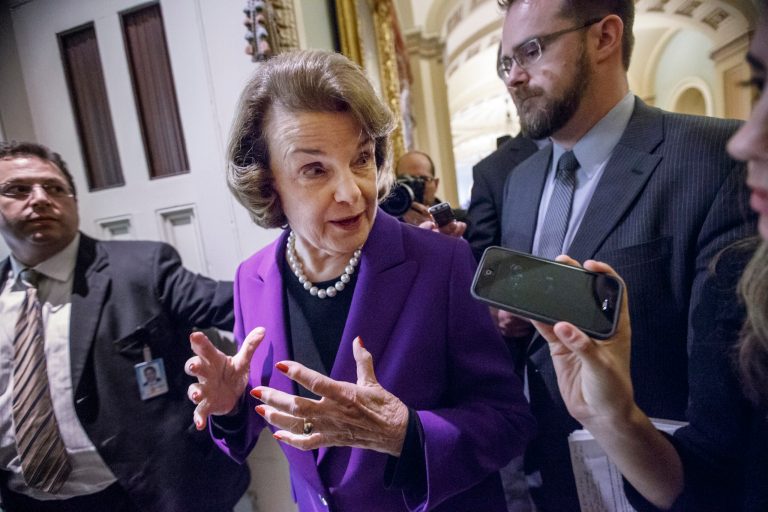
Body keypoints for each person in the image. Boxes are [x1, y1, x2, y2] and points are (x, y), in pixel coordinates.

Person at [185, 49, 535, 512]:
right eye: (315, 169)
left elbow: (509, 420)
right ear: (268, 183)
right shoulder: (252, 278)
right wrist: (231, 409)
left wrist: (405, 434)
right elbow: (269, 423)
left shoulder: (440, 261)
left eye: (361, 159)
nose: (353, 192)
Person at [496, 0, 755, 509]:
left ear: (604, 37)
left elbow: (727, 399)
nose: (514, 77)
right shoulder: (520, 181)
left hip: (666, 483)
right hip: (550, 483)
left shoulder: (712, 159)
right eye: (505, 63)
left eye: (531, 50)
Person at [0, 141, 249, 511]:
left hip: (144, 497)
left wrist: (312, 270)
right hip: (26, 501)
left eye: (54, 188)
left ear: (74, 203)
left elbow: (238, 304)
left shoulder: (143, 269)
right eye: (18, 189)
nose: (39, 198)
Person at [394, 150, 441, 226]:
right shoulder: (385, 222)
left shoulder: (455, 222)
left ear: (435, 184)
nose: (414, 186)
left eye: (422, 179)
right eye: (406, 179)